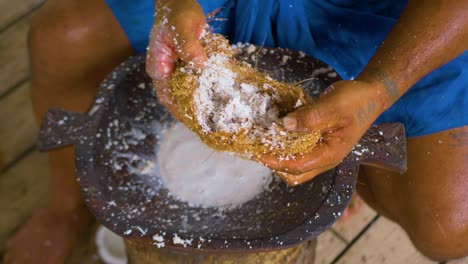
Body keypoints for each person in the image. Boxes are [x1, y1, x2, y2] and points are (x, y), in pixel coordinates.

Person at [3, 0, 468, 263]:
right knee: (61, 38)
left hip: (389, 20)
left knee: (447, 227)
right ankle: (63, 207)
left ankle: (343, 170)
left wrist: (380, 87)